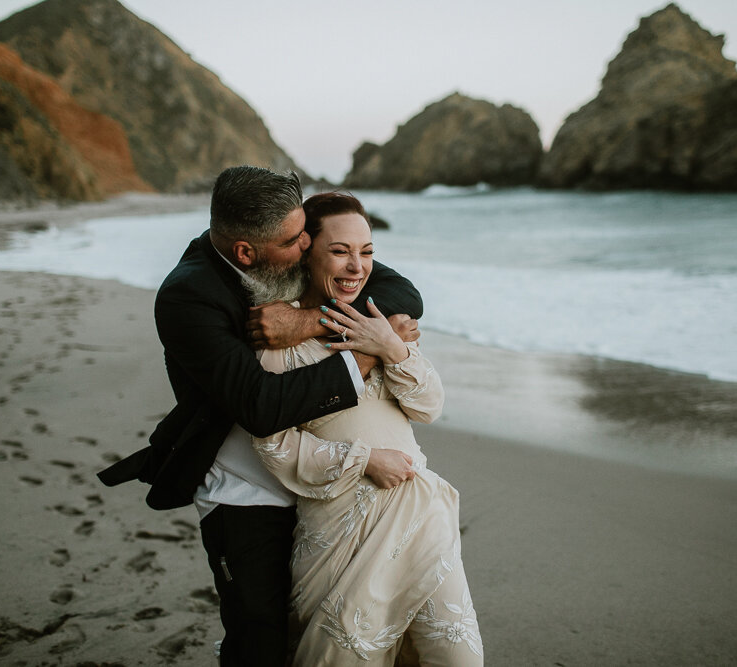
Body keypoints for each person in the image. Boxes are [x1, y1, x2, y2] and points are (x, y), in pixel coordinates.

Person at [98, 166, 423, 666]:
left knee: (321, 628)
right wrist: (367, 355)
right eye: (296, 240)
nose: (309, 246)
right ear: (246, 252)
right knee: (260, 636)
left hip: (323, 482)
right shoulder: (188, 297)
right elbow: (259, 407)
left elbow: (403, 295)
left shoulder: (287, 250)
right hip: (244, 490)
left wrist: (307, 320)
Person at [252, 192, 484, 665]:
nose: (357, 266)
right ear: (306, 250)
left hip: (420, 518)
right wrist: (365, 461)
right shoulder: (279, 339)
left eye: (367, 252)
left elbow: (429, 406)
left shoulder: (382, 321)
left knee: (456, 658)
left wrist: (390, 347)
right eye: (340, 251)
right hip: (340, 532)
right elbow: (273, 443)